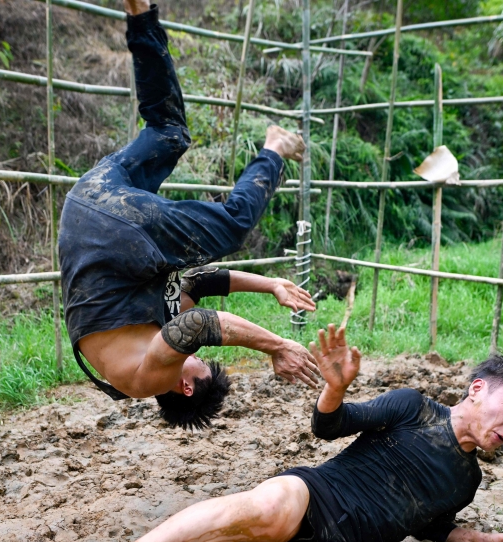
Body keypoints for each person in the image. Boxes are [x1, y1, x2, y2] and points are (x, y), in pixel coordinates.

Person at [34, 325, 503, 542]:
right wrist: (333, 387)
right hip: (312, 496)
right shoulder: (413, 408)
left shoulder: (467, 481)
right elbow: (330, 424)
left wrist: (480, 539)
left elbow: (429, 526)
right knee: (263, 508)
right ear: (477, 389)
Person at [59, 0, 319, 429]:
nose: (195, 358)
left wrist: (275, 346)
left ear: (185, 387)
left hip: (110, 232)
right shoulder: (145, 335)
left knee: (233, 227)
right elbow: (203, 283)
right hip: (89, 201)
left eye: (200, 365)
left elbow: (198, 324)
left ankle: (273, 147)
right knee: (168, 131)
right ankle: (140, 14)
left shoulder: (147, 377)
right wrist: (271, 284)